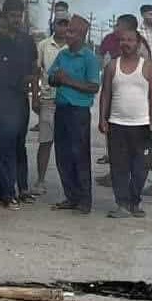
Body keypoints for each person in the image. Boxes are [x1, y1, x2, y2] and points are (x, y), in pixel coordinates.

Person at [100, 27, 152, 218]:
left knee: (141, 167)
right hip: (117, 124)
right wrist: (102, 118)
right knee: (119, 167)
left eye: (130, 40)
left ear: (138, 43)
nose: (125, 43)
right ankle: (122, 204)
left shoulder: (147, 67)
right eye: (122, 40)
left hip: (142, 126)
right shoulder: (112, 66)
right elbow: (106, 94)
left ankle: (135, 202)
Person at [0, 0, 34, 210]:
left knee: (14, 145)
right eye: (12, 15)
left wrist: (31, 89)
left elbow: (29, 71)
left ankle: (14, 190)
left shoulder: (22, 43)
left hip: (14, 102)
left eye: (19, 15)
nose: (16, 20)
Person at [48, 15, 101, 214]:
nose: (66, 34)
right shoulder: (62, 54)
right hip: (61, 109)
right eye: (67, 30)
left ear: (81, 35)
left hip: (79, 112)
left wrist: (67, 80)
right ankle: (71, 197)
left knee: (79, 155)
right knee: (62, 155)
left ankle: (85, 200)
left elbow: (93, 86)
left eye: (71, 32)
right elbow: (51, 78)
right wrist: (56, 78)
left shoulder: (89, 58)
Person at [32, 16, 68, 196]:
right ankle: (40, 180)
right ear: (53, 25)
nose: (63, 28)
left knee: (67, 144)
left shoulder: (73, 47)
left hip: (68, 100)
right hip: (48, 99)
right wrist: (35, 97)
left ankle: (69, 184)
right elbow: (36, 72)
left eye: (66, 24)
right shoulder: (43, 45)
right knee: (45, 141)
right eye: (59, 24)